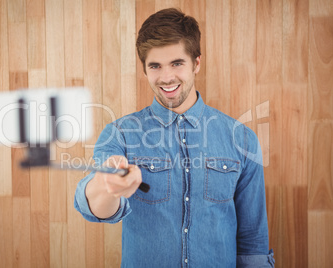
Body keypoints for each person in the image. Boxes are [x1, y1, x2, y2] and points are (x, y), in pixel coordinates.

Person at [74, 8, 275, 267]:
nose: (167, 77)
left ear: (196, 63)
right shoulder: (120, 135)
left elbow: (252, 242)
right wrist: (107, 184)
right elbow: (96, 208)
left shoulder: (243, 140)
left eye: (177, 63)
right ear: (145, 70)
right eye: (155, 66)